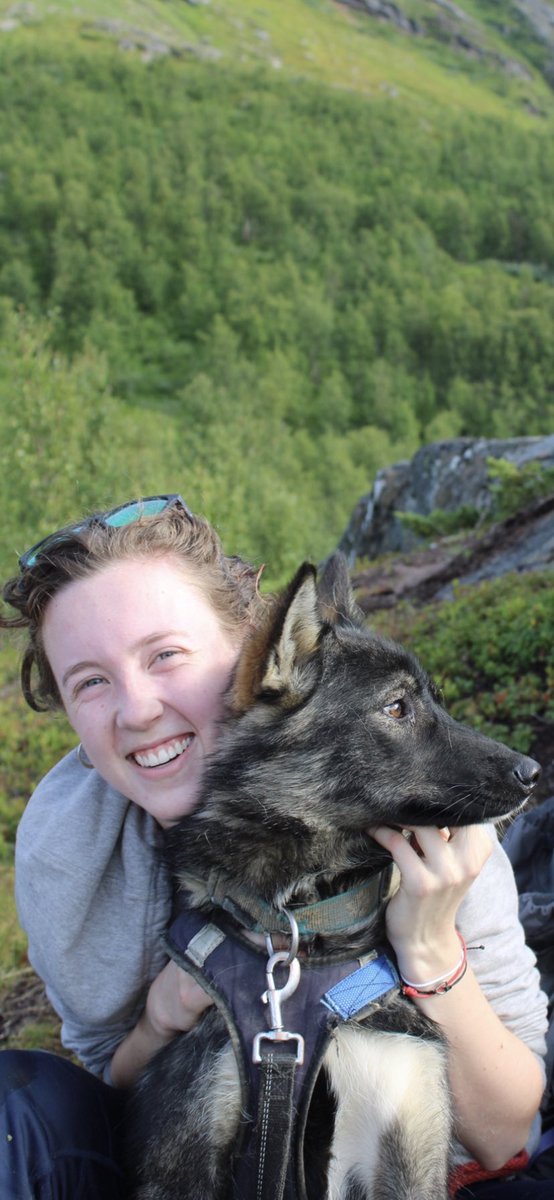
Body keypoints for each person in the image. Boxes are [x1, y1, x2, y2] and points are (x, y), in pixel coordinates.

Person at [0, 493, 550, 1200]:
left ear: (253, 650)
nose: (136, 710)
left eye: (165, 655)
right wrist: (161, 1016)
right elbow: (109, 1078)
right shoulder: (70, 846)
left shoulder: (423, 809)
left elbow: (508, 1136)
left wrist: (434, 953)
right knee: (21, 1107)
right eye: (91, 682)